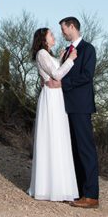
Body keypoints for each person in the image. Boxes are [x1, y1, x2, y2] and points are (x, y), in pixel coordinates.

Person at [27, 27, 80, 202]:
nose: (54, 36)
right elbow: (56, 74)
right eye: (51, 34)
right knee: (52, 137)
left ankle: (59, 186)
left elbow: (54, 71)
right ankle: (50, 187)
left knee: (58, 138)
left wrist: (61, 57)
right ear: (43, 39)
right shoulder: (42, 53)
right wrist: (70, 60)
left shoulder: (46, 54)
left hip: (56, 97)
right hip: (51, 98)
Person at [58, 16, 100, 208]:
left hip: (81, 107)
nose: (62, 33)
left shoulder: (88, 49)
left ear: (72, 27)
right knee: (73, 150)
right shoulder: (66, 51)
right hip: (66, 106)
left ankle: (92, 195)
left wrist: (63, 84)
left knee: (85, 149)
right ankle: (79, 192)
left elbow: (86, 76)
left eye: (63, 29)